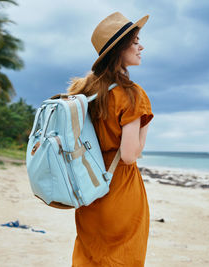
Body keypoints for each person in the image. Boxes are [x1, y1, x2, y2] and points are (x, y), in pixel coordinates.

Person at [68, 12, 154, 266]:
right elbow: (129, 155)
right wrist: (145, 124)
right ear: (119, 50)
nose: (141, 46)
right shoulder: (132, 94)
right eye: (136, 41)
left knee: (89, 255)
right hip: (120, 191)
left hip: (89, 189)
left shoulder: (83, 91)